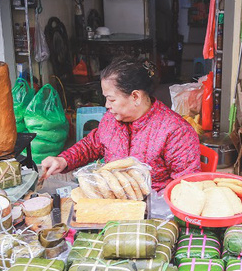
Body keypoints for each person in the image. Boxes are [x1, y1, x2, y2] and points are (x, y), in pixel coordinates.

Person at [41, 57, 201, 192]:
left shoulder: (176, 131)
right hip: (113, 200)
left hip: (153, 212)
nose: (106, 105)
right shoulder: (112, 119)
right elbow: (92, 145)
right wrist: (63, 160)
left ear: (136, 97)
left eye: (111, 99)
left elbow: (186, 187)